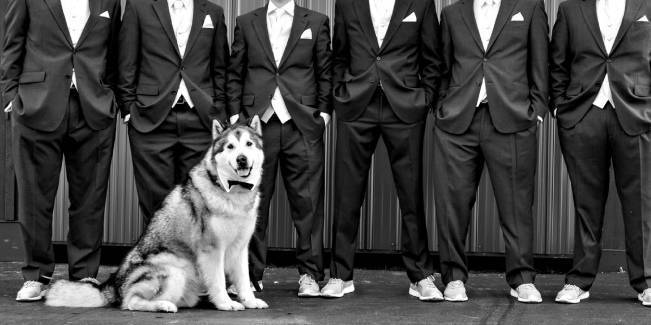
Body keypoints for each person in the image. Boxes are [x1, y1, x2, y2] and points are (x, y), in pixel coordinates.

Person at [1, 0, 121, 301]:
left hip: (93, 108)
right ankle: (36, 275)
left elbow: (117, 52)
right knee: (34, 196)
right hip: (37, 105)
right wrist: (10, 96)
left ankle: (83, 275)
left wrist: (112, 99)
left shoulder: (109, 2)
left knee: (90, 198)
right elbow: (12, 42)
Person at [323, 0, 442, 300]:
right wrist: (341, 94)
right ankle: (340, 274)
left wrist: (424, 98)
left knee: (411, 195)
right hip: (356, 105)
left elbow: (432, 57)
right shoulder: (347, 4)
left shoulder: (421, 3)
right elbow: (340, 54)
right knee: (347, 194)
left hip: (404, 107)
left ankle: (421, 276)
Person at [434, 0, 549, 303]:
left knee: (517, 203)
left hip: (512, 119)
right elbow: (443, 67)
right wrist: (441, 108)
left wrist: (536, 110)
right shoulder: (452, 13)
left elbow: (540, 63)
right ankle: (454, 278)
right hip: (458, 121)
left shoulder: (529, 8)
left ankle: (522, 279)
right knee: (452, 204)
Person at [227, 0, 332, 297]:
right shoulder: (247, 22)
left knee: (308, 203)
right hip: (257, 127)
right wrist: (236, 117)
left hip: (302, 123)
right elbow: (235, 70)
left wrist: (323, 114)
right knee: (252, 202)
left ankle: (310, 275)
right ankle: (248, 275)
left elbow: (325, 70)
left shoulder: (317, 21)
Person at [550, 0, 651, 306]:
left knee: (641, 201)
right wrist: (560, 108)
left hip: (636, 114)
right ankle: (579, 281)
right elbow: (557, 63)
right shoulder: (570, 10)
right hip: (583, 115)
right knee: (586, 202)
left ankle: (646, 281)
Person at [117, 0, 229, 225]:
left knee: (200, 201)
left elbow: (221, 67)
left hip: (201, 119)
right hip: (151, 118)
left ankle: (193, 260)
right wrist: (128, 107)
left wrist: (219, 111)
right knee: (156, 203)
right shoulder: (139, 8)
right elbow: (126, 61)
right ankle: (160, 259)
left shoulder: (213, 13)